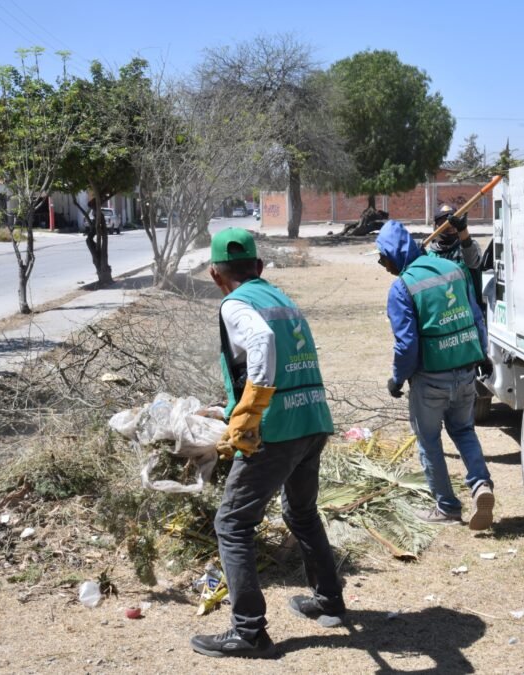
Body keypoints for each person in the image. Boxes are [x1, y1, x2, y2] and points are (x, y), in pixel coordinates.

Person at [190, 228, 342, 660]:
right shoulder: (280, 298)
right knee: (301, 511)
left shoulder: (236, 302)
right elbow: (282, 361)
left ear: (216, 274)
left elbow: (262, 343)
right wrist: (229, 410)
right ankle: (329, 600)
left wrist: (251, 414)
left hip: (277, 431)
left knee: (232, 524)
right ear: (258, 267)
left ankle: (249, 632)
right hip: (311, 419)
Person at [376, 219, 495, 530]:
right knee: (464, 431)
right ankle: (481, 484)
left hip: (430, 380)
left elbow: (407, 343)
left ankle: (448, 507)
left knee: (429, 440)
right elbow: (475, 316)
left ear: (395, 253)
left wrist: (397, 378)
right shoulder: (453, 270)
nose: (381, 263)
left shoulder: (402, 287)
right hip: (465, 372)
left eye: (382, 256)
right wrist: (482, 355)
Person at [429, 203, 483, 303]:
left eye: (452, 222)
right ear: (435, 226)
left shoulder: (468, 246)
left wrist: (463, 230)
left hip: (467, 310)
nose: (449, 226)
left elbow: (473, 262)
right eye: (443, 222)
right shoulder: (429, 255)